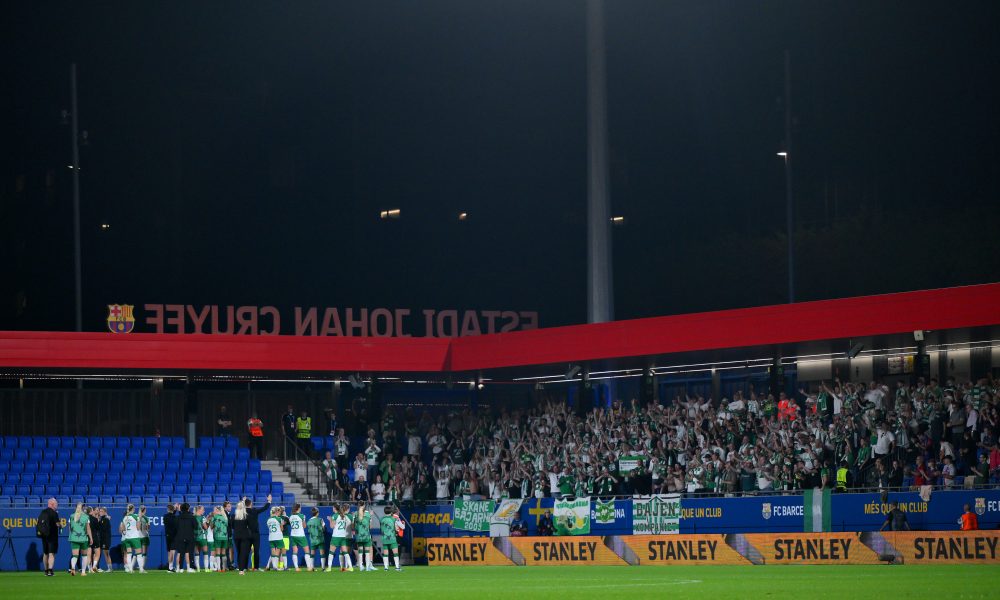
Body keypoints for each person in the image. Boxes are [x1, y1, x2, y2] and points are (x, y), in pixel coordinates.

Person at [244, 494, 272, 570]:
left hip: (246, 534)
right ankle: (256, 568)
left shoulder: (243, 512)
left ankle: (245, 567)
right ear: (251, 504)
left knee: (246, 551)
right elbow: (264, 508)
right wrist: (269, 501)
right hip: (255, 534)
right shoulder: (254, 511)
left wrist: (243, 502)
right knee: (256, 551)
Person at [36, 497, 60, 576]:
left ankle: (46, 571)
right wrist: (61, 525)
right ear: (52, 504)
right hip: (52, 536)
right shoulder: (54, 513)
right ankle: (50, 570)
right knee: (51, 553)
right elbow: (57, 524)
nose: (57, 505)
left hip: (44, 535)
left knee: (45, 553)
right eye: (56, 504)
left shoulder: (42, 512)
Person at [67, 502, 93, 576]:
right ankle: (83, 572)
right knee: (84, 555)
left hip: (74, 538)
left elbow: (70, 528)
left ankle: (73, 567)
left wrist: (71, 536)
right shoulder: (86, 517)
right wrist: (91, 538)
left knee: (75, 555)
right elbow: (88, 529)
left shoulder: (71, 516)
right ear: (83, 508)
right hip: (83, 538)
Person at [327, 503, 354, 572]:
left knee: (331, 552)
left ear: (335, 509)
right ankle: (350, 567)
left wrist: (330, 520)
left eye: (333, 508)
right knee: (345, 552)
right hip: (343, 536)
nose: (332, 509)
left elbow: (332, 526)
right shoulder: (344, 516)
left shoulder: (335, 516)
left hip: (336, 536)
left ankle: (329, 568)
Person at [119, 504, 144, 573]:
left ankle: (130, 570)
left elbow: (123, 529)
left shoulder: (124, 518)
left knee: (129, 554)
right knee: (139, 554)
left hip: (127, 538)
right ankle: (141, 569)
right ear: (133, 509)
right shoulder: (135, 516)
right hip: (135, 537)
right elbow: (138, 527)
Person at [288, 504, 313, 571]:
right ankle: (308, 567)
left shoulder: (290, 517)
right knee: (307, 551)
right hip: (301, 535)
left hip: (293, 535)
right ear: (298, 508)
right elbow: (304, 526)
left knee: (295, 551)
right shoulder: (302, 516)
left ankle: (296, 568)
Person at [174, 503, 198, 573]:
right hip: (190, 537)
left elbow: (175, 527)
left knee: (181, 553)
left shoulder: (178, 517)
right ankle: (189, 568)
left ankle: (181, 569)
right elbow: (196, 526)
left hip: (180, 537)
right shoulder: (192, 517)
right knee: (190, 552)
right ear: (188, 509)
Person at [231, 501, 253, 575]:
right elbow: (250, 526)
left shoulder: (233, 516)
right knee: (243, 553)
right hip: (245, 536)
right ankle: (241, 569)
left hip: (236, 536)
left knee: (239, 552)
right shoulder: (247, 516)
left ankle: (240, 568)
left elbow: (232, 526)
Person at [379, 507, 404, 572]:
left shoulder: (381, 519)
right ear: (391, 512)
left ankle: (386, 568)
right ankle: (397, 567)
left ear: (384, 512)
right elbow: (396, 529)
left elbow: (381, 529)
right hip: (392, 538)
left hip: (384, 538)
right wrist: (397, 530)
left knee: (385, 554)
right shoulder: (393, 519)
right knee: (395, 553)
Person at [353, 502, 376, 572]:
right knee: (367, 551)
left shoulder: (355, 514)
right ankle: (368, 567)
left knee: (360, 551)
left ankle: (361, 566)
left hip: (359, 535)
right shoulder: (368, 514)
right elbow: (370, 527)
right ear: (364, 506)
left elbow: (353, 526)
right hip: (366, 535)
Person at [306, 507, 327, 572]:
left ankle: (312, 567)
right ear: (317, 513)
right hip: (320, 538)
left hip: (312, 539)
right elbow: (324, 529)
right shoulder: (320, 520)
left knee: (312, 553)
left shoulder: (309, 521)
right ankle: (323, 568)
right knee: (322, 553)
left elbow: (309, 531)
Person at [211, 505, 231, 572]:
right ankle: (224, 568)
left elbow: (211, 526)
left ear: (217, 510)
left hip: (217, 536)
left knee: (218, 553)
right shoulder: (225, 517)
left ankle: (219, 568)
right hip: (225, 537)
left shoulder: (214, 517)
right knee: (224, 553)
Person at [97, 507, 113, 572]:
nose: (100, 512)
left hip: (105, 539)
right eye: (100, 511)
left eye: (101, 511)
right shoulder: (102, 519)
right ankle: (108, 568)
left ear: (105, 512)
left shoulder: (105, 519)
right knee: (102, 553)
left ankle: (110, 568)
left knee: (106, 553)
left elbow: (103, 529)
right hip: (102, 539)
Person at [194, 505, 209, 572]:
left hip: (195, 537)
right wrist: (208, 522)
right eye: (203, 509)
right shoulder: (202, 517)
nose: (204, 511)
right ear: (199, 510)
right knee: (205, 552)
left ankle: (198, 569)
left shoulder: (193, 517)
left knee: (197, 553)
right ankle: (206, 569)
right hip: (202, 537)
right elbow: (205, 527)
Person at [87, 506, 101, 574]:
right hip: (94, 537)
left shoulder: (84, 518)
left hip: (87, 538)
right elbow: (98, 528)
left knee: (88, 555)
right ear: (91, 511)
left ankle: (89, 569)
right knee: (97, 553)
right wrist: (98, 520)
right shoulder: (94, 519)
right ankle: (94, 566)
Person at [164, 503, 178, 572]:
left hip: (167, 536)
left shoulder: (165, 516)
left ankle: (169, 567)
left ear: (168, 509)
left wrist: (174, 509)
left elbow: (170, 515)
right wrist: (175, 510)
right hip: (174, 536)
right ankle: (170, 567)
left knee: (169, 552)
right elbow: (173, 516)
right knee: (172, 552)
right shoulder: (175, 517)